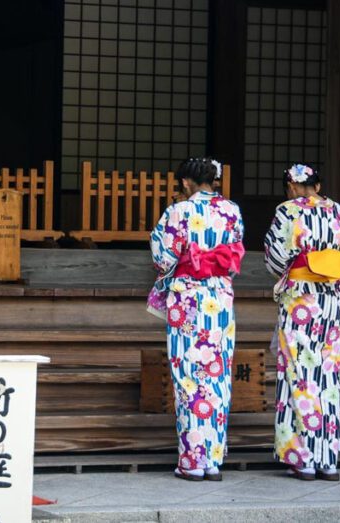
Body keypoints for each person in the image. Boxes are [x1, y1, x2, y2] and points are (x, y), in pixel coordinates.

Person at [264, 163, 340, 481]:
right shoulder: (338, 212)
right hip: (330, 302)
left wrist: (298, 266)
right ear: (317, 186)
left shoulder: (287, 211)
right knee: (327, 375)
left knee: (299, 373)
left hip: (300, 302)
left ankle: (304, 459)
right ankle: (328, 459)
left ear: (291, 187)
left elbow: (275, 257)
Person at [150, 158, 245, 482]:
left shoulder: (177, 212)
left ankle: (193, 461)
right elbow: (234, 255)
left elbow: (162, 257)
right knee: (216, 375)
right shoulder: (231, 211)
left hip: (188, 302)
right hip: (219, 300)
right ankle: (213, 460)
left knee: (189, 375)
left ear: (187, 183)